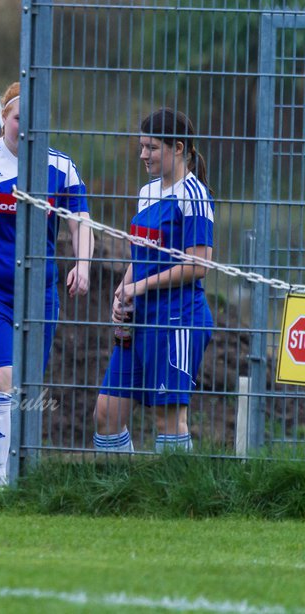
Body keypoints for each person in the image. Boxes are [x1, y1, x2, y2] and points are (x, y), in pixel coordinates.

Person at [0, 81, 93, 492]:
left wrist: (82, 264)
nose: (26, 128)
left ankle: (19, 480)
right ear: (4, 120)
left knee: (23, 388)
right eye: (18, 119)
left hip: (39, 294)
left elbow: (81, 222)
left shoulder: (60, 166)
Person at [95, 108, 213, 453]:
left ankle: (175, 502)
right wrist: (124, 288)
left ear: (178, 148)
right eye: (142, 146)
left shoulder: (194, 196)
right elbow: (141, 252)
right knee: (106, 414)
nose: (143, 155)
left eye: (152, 147)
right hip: (139, 319)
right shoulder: (147, 192)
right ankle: (118, 499)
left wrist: (141, 286)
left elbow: (199, 265)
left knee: (167, 419)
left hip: (177, 318)